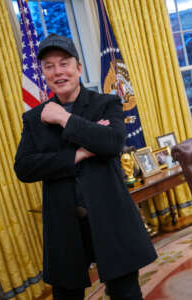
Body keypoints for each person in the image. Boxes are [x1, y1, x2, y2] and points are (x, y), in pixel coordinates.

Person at [14, 34, 157, 300]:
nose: (58, 72)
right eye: (49, 66)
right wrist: (78, 154)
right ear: (43, 73)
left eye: (64, 63)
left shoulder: (107, 104)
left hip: (110, 218)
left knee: (125, 293)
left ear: (78, 68)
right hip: (65, 226)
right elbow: (24, 168)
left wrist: (64, 118)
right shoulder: (34, 118)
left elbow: (113, 143)